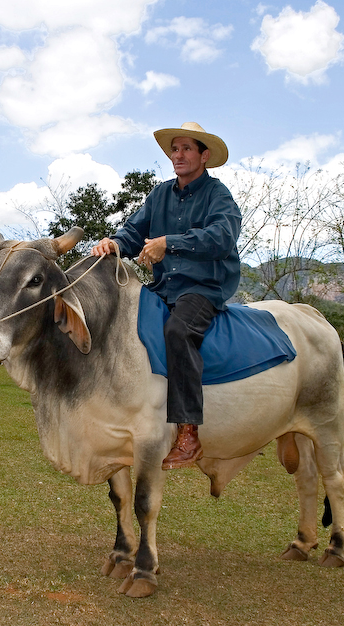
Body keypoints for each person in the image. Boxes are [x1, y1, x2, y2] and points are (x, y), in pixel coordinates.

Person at [90, 122, 241, 470]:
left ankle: (189, 433)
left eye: (187, 149)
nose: (178, 155)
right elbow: (133, 232)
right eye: (175, 149)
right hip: (163, 288)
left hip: (202, 288)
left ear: (204, 155)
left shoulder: (218, 195)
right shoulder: (159, 195)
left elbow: (222, 237)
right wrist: (114, 243)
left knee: (178, 331)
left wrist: (168, 243)